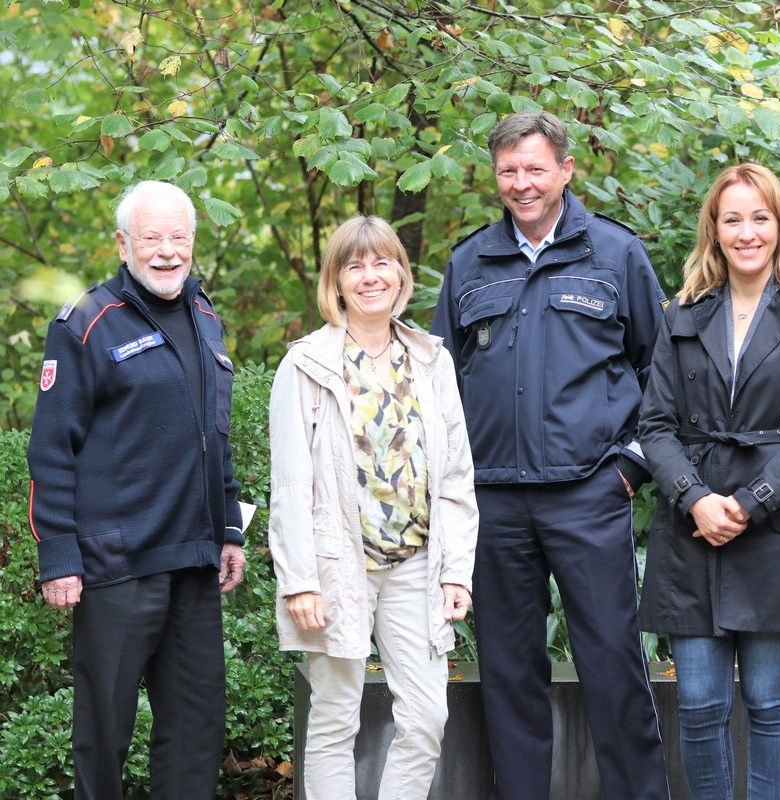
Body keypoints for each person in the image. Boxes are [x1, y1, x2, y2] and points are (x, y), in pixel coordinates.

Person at [431, 111, 671, 800]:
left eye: (535, 168)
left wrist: (629, 467)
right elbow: (439, 385)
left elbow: (661, 373)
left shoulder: (616, 254)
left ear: (566, 170)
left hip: (590, 494)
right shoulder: (470, 262)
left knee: (612, 665)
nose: (522, 183)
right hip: (496, 501)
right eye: (509, 170)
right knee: (509, 672)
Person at [638, 163, 780, 800]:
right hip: (695, 524)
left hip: (778, 523)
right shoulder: (682, 312)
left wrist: (749, 502)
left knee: (768, 700)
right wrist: (695, 498)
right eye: (732, 218)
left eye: (759, 217)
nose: (746, 231)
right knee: (701, 704)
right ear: (714, 229)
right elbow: (654, 424)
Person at [26, 180, 245, 800]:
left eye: (180, 237)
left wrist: (228, 529)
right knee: (105, 731)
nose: (168, 251)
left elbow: (215, 438)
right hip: (115, 565)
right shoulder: (86, 323)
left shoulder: (206, 318)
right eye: (153, 237)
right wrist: (59, 558)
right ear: (124, 243)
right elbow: (49, 450)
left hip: (194, 564)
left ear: (194, 241)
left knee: (197, 728)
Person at [269, 215, 478, 799]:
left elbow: (457, 475)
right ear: (336, 281)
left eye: (382, 262)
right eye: (354, 266)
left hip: (416, 567)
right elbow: (289, 483)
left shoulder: (431, 360)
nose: (370, 276)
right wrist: (300, 581)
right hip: (339, 567)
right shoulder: (306, 365)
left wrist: (456, 571)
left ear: (401, 274)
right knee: (335, 719)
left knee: (426, 717)